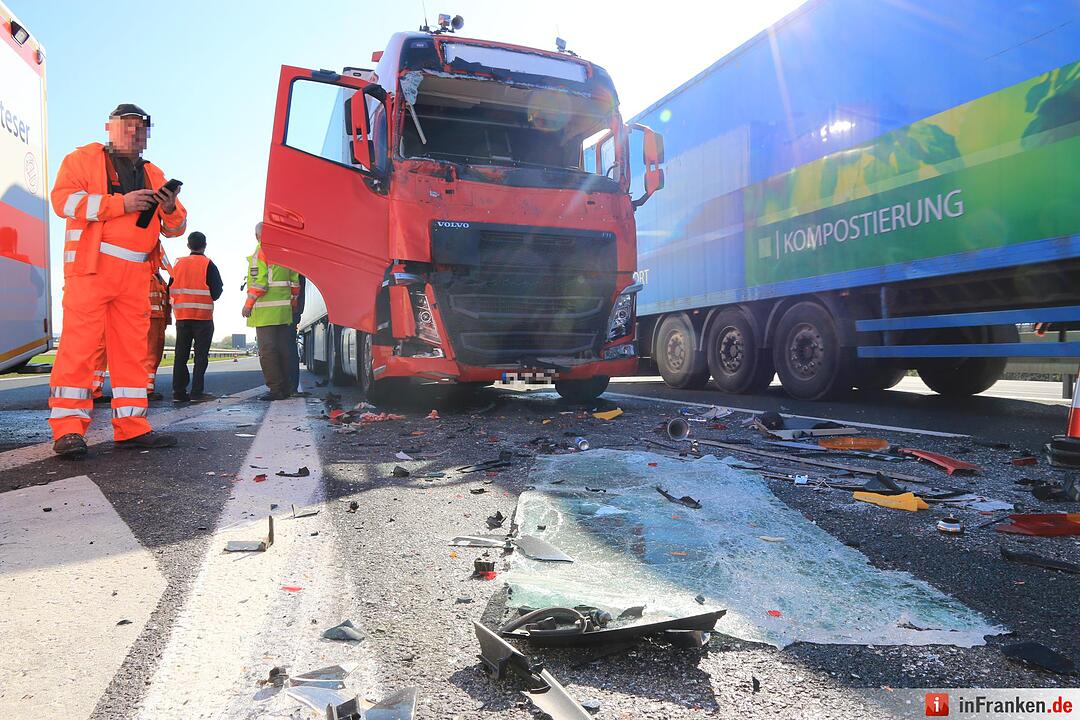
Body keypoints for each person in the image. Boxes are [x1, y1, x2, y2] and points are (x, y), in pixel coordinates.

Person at [48, 104, 186, 457]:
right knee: (79, 349)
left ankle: (132, 426)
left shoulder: (154, 173)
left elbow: (176, 227)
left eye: (140, 129)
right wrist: (119, 204)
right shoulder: (83, 159)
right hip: (91, 269)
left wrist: (169, 208)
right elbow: (63, 201)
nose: (133, 133)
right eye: (126, 126)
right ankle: (67, 430)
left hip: (136, 274)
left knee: (133, 353)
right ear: (110, 128)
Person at [244, 223, 299, 401]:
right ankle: (287, 388)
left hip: (265, 312)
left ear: (257, 236)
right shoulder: (284, 252)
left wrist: (248, 304)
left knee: (267, 352)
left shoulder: (260, 252)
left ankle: (276, 389)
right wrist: (293, 302)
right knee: (284, 350)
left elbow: (260, 283)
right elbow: (295, 280)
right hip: (284, 311)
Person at [170, 231, 223, 402]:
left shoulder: (178, 264)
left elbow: (169, 288)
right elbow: (216, 292)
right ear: (204, 245)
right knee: (201, 357)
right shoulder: (208, 264)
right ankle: (196, 392)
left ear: (188, 245)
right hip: (203, 317)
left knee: (180, 355)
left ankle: (178, 392)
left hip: (182, 317)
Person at [146, 269, 171, 399]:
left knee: (155, 354)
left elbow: (166, 301)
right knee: (150, 354)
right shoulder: (148, 276)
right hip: (150, 319)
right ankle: (147, 388)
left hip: (159, 319)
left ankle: (148, 386)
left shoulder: (159, 279)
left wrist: (167, 320)